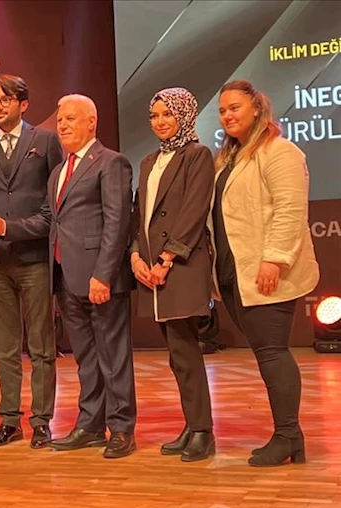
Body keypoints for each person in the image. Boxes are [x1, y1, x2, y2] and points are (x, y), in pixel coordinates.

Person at [0, 94, 137, 458]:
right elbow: (48, 222)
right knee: (87, 358)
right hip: (66, 278)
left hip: (99, 280)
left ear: (92, 122)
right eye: (60, 120)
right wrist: (6, 226)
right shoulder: (58, 172)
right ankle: (91, 425)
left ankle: (121, 428)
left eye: (71, 118)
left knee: (113, 357)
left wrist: (103, 275)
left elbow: (117, 222)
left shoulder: (111, 162)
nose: (63, 125)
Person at [209, 80, 319, 467]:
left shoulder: (280, 151)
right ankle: (291, 437)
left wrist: (274, 259)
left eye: (235, 108)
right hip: (234, 275)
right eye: (222, 110)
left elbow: (290, 210)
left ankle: (288, 435)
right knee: (264, 353)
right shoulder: (228, 158)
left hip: (267, 272)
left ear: (257, 108)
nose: (227, 116)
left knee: (272, 353)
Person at [0, 74, 63, 449]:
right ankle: (10, 420)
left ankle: (41, 421)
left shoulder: (46, 141)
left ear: (23, 104)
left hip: (34, 257)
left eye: (5, 99)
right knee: (4, 348)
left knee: (41, 346)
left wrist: (11, 228)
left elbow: (54, 204)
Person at [130, 87, 216, 462]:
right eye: (155, 115)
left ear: (185, 115)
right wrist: (136, 255)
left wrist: (166, 258)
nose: (160, 122)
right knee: (176, 354)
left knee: (186, 350)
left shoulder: (198, 155)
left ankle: (203, 431)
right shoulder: (149, 161)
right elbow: (141, 215)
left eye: (168, 114)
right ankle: (192, 425)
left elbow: (194, 211)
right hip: (152, 270)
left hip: (180, 266)